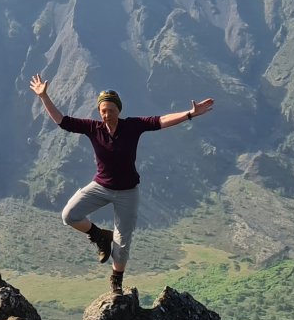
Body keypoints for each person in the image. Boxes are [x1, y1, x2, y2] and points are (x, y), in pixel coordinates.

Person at [29, 75, 215, 294]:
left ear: (119, 109)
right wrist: (44, 96)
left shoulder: (132, 126)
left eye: (111, 110)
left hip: (127, 192)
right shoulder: (93, 128)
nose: (107, 114)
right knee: (69, 215)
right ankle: (99, 236)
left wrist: (190, 114)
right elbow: (62, 121)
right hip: (100, 187)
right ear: (99, 111)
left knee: (122, 243)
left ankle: (116, 281)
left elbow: (162, 120)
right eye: (103, 110)